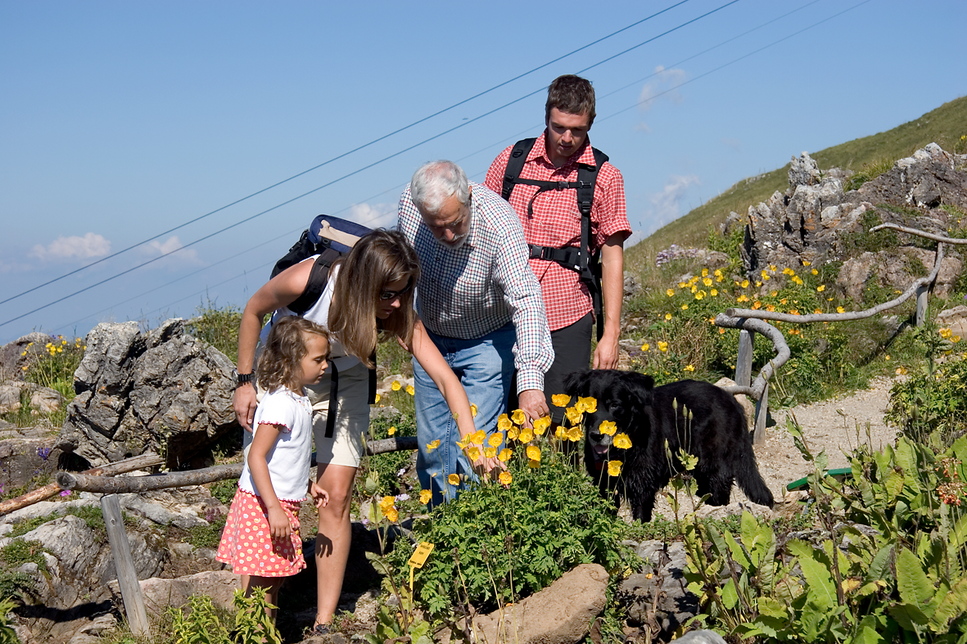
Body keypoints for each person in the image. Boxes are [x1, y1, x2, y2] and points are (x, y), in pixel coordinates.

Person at [232, 229, 481, 634]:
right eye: (388, 295)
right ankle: (257, 628)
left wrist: (472, 443)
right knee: (265, 498)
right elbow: (252, 310)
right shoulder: (308, 279)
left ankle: (324, 624)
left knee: (336, 497)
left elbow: (445, 377)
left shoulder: (396, 309)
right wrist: (244, 382)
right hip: (280, 376)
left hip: (343, 383)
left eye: (402, 293)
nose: (397, 304)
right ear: (364, 283)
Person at [397, 160, 554, 504]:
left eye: (455, 223)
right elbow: (401, 266)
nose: (448, 236)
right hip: (431, 340)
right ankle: (443, 535)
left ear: (468, 196)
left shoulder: (499, 224)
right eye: (436, 228)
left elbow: (526, 299)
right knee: (432, 448)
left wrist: (529, 382)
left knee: (477, 445)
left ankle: (479, 534)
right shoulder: (409, 206)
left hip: (486, 343)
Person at [484, 74, 632, 428]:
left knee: (563, 423)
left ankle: (562, 482)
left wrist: (610, 335)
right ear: (546, 118)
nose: (566, 138)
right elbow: (481, 229)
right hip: (504, 312)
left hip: (566, 314)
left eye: (577, 130)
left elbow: (611, 257)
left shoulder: (604, 176)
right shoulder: (511, 162)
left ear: (590, 124)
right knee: (502, 420)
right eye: (559, 127)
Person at [216, 316, 331, 625]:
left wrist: (306, 485)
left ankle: (263, 631)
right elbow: (256, 457)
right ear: (292, 360)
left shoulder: (299, 399)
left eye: (326, 358)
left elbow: (284, 459)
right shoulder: (281, 404)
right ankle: (256, 633)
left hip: (277, 502)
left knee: (274, 577)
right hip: (263, 504)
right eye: (318, 359)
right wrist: (274, 509)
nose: (325, 365)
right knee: (263, 583)